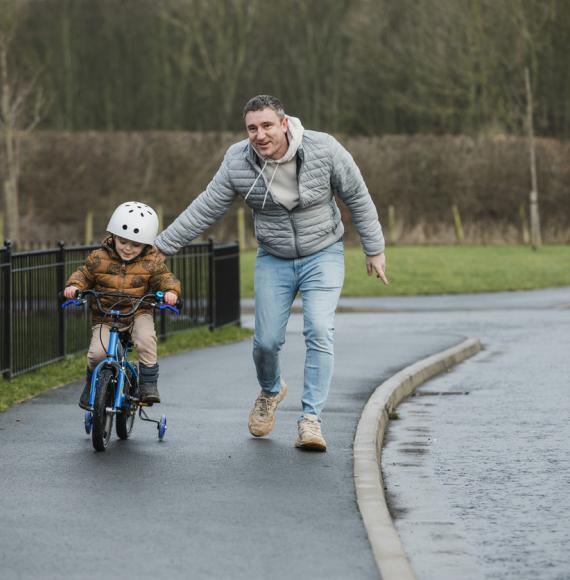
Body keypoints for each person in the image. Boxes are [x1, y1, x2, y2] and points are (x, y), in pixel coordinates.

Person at [154, 95, 387, 452]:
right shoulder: (238, 161)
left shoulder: (323, 148)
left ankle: (311, 420)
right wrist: (162, 246)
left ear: (283, 123)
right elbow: (205, 207)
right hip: (274, 257)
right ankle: (271, 389)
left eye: (266, 126)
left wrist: (374, 248)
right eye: (251, 128)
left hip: (322, 252)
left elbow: (357, 195)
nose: (259, 135)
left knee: (320, 330)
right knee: (265, 342)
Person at [64, 201, 181, 409]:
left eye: (135, 245)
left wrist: (171, 292)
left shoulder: (151, 262)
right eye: (123, 241)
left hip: (138, 314)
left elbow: (165, 278)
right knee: (97, 354)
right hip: (106, 316)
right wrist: (74, 286)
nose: (128, 249)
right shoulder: (98, 258)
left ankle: (148, 385)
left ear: (145, 245)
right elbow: (83, 274)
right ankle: (92, 384)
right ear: (113, 236)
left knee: (146, 340)